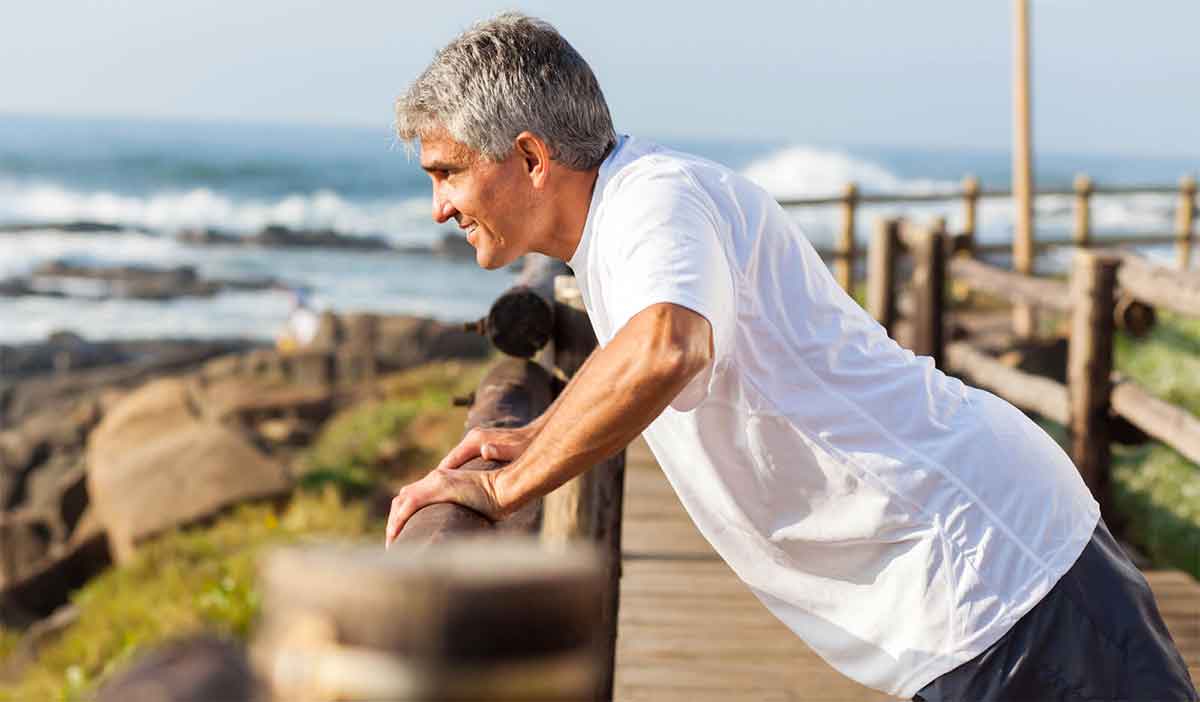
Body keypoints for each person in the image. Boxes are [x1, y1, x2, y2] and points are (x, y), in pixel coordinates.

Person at [383, 12, 1197, 701]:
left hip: (997, 581)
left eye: (447, 172)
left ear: (530, 158)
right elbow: (650, 343)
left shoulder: (651, 202)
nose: (438, 207)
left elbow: (667, 345)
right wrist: (540, 432)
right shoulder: (627, 219)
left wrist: (504, 487)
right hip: (967, 591)